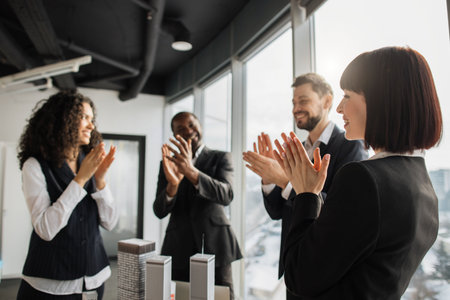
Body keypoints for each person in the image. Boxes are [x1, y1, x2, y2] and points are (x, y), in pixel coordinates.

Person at [274, 47, 442, 299]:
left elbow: (300, 276)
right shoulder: (422, 182)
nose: (340, 108)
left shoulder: (363, 179)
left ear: (382, 101)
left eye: (348, 95)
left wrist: (307, 193)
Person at [243, 73, 367, 299]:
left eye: (303, 101)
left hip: (327, 274)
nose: (295, 109)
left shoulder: (351, 147)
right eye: (293, 102)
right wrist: (269, 178)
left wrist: (285, 180)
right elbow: (276, 212)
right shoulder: (297, 149)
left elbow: (344, 214)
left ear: (327, 102)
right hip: (294, 269)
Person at [16, 91, 118, 299]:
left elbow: (110, 222)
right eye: (84, 118)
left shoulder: (90, 159)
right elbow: (45, 229)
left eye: (92, 119)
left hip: (93, 280)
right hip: (48, 284)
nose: (91, 126)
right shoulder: (34, 166)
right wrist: (80, 180)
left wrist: (99, 181)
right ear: (63, 119)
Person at [153, 112, 242, 299]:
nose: (189, 131)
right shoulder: (168, 164)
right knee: (180, 296)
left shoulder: (221, 157)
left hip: (217, 245)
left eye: (192, 125)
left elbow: (227, 195)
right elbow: (159, 210)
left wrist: (191, 172)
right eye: (181, 129)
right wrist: (172, 185)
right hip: (178, 246)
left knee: (223, 296)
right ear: (174, 134)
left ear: (200, 126)